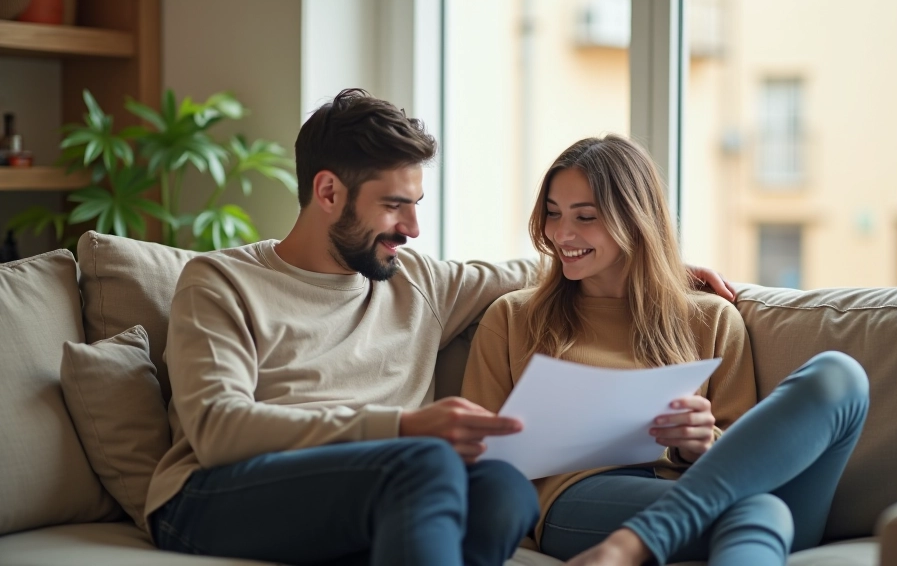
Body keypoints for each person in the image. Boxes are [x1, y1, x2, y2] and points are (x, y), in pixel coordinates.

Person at [144, 88, 735, 566]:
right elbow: (218, 429)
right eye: (395, 205)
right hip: (214, 496)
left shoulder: (419, 281)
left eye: (418, 203)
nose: (414, 227)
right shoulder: (220, 281)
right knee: (427, 459)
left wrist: (649, 260)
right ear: (328, 191)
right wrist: (402, 425)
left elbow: (555, 261)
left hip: (374, 492)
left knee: (502, 489)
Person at [461, 134, 870, 566]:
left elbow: (747, 457)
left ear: (635, 221)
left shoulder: (711, 318)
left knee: (839, 377)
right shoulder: (514, 317)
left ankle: (632, 546)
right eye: (552, 213)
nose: (562, 233)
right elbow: (476, 454)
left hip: (723, 496)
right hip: (579, 500)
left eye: (585, 217)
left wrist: (700, 443)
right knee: (759, 511)